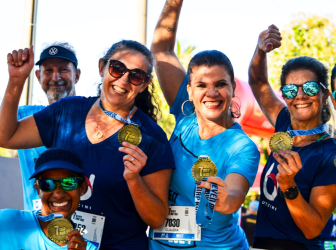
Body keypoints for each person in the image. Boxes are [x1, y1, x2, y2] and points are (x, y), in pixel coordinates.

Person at [0, 40, 175, 249]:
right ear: (102, 67)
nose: (124, 80)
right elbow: (7, 137)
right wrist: (16, 81)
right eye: (117, 68)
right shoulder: (67, 111)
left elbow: (156, 219)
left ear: (144, 84)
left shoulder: (152, 137)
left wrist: (134, 180)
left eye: (136, 76)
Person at [149, 1, 260, 249]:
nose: (212, 93)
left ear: (233, 88)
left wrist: (225, 200)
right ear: (189, 90)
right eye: (201, 85)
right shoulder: (185, 116)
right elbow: (162, 50)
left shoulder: (242, 147)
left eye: (220, 84)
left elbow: (234, 196)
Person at [248, 25, 336, 250]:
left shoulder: (330, 153)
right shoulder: (284, 122)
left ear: (324, 93)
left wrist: (289, 186)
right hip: (261, 244)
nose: (299, 95)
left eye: (309, 87)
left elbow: (313, 228)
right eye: (290, 90)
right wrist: (260, 51)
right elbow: (258, 83)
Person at [17, 42, 81, 211]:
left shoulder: (91, 117)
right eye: (48, 71)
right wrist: (17, 80)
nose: (56, 77)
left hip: (82, 230)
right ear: (38, 76)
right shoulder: (25, 116)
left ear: (77, 75)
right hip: (36, 231)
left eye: (64, 70)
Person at [0, 148, 97, 250]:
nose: (58, 194)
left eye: (68, 182)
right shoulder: (5, 222)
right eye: (47, 184)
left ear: (82, 188)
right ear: (38, 189)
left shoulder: (86, 248)